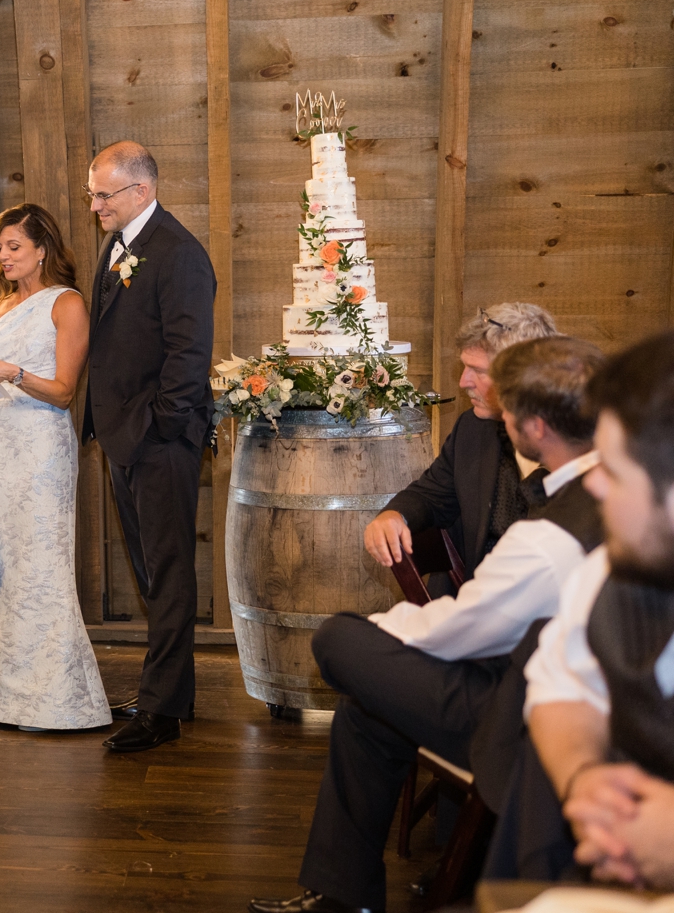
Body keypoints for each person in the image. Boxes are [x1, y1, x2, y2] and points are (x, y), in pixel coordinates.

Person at [249, 335, 606, 913]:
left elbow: (465, 630)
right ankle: (344, 896)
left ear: (535, 426)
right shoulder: (627, 489)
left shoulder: (548, 539)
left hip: (525, 720)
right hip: (555, 682)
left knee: (339, 640)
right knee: (368, 705)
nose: (472, 388)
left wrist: (384, 632)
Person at [502, 330, 674, 890]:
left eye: (614, 470)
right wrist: (583, 778)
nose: (592, 484)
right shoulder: (609, 573)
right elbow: (564, 687)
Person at [0, 203, 110, 730]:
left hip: (42, 452)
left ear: (42, 249)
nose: (3, 256)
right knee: (2, 569)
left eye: (14, 246)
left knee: (42, 571)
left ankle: (52, 698)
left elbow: (61, 393)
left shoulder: (68, 304)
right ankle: (1, 688)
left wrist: (15, 372)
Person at [80, 140, 216, 752]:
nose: (94, 205)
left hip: (160, 440)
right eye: (93, 193)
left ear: (141, 191)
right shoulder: (119, 244)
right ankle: (171, 693)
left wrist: (159, 426)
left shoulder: (179, 254)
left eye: (103, 194)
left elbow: (189, 357)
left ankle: (161, 711)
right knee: (149, 570)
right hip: (126, 436)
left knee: (167, 572)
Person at [365, 303, 559, 580]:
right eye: (465, 367)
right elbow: (433, 495)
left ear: (523, 377)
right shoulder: (473, 427)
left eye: (478, 371)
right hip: (476, 599)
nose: (464, 382)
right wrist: (395, 515)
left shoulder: (567, 443)